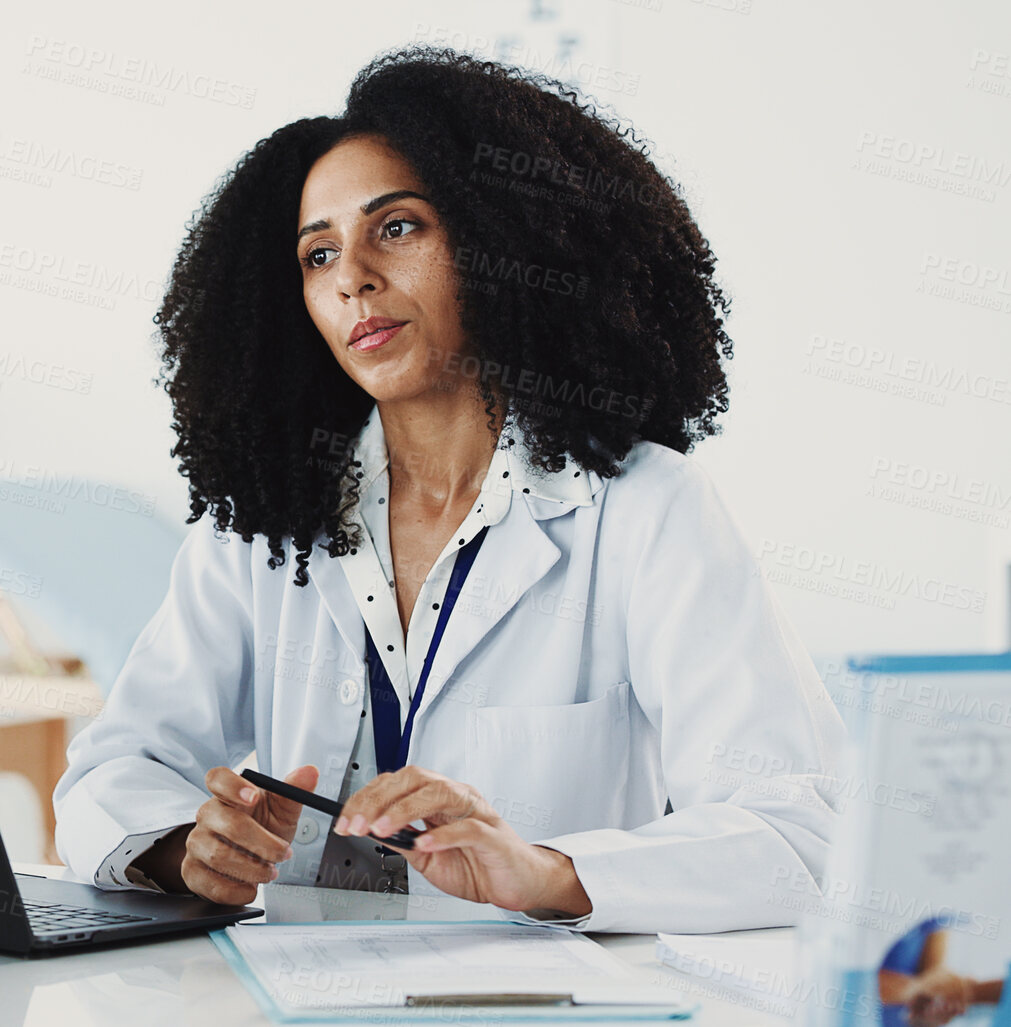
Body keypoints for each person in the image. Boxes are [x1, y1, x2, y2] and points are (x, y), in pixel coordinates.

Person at [53, 47, 846, 934]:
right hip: (285, 993)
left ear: (503, 240)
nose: (351, 276)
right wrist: (180, 849)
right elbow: (114, 766)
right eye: (318, 254)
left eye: (396, 228)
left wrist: (543, 871)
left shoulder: (643, 510)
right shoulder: (268, 516)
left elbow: (798, 832)